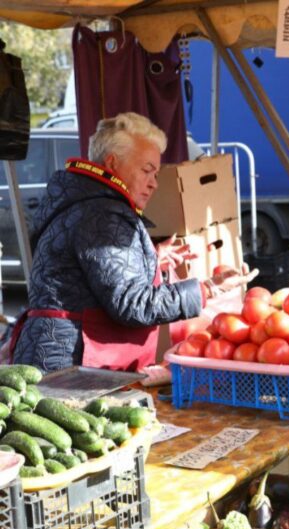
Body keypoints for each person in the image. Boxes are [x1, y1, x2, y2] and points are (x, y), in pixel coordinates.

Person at [10, 112, 256, 373]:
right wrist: (207, 289)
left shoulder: (85, 202)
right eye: (146, 170)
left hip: (58, 354)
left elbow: (89, 273)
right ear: (112, 163)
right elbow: (132, 303)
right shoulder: (103, 215)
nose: (153, 184)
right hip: (70, 363)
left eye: (156, 174)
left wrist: (149, 258)